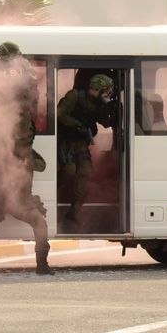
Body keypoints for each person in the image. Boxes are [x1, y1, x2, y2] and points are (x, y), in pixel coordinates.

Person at [0, 42, 53, 277]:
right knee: (38, 223)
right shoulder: (23, 71)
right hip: (15, 197)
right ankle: (42, 266)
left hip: (6, 194)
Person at [56, 73, 116, 226]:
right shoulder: (74, 96)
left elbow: (105, 123)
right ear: (97, 89)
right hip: (66, 141)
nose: (107, 95)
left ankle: (75, 210)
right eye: (105, 92)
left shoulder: (98, 104)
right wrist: (77, 125)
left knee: (87, 173)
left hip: (81, 144)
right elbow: (59, 114)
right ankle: (47, 196)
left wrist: (110, 110)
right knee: (69, 170)